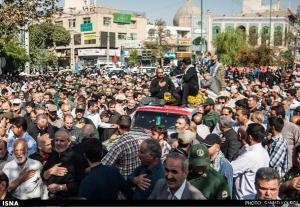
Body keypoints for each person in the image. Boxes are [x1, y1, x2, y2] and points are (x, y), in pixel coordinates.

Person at [42, 130, 86, 199]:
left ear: (69, 142)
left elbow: (80, 183)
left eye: (62, 141)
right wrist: (50, 171)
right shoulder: (53, 155)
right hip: (50, 197)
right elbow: (43, 176)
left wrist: (60, 187)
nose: (58, 143)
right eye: (56, 140)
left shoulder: (76, 158)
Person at [231, 123, 270, 199]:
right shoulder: (264, 152)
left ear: (250, 137)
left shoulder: (250, 155)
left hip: (245, 196)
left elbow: (230, 170)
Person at [202, 134, 233, 198]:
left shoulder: (224, 164)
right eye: (204, 145)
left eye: (208, 146)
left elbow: (228, 188)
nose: (205, 148)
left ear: (217, 148)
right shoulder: (204, 160)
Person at [270, 105, 300, 169]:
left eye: (272, 114)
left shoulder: (293, 128)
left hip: (287, 166)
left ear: (280, 116)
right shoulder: (270, 126)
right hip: (272, 163)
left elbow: (298, 146)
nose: (269, 116)